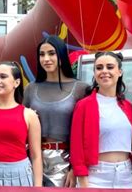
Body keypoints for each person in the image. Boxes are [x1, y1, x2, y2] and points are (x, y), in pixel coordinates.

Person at [23, 35, 88, 187]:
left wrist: (75, 168)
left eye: (52, 53)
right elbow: (21, 125)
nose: (46, 59)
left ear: (61, 55)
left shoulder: (81, 88)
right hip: (33, 159)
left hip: (65, 161)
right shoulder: (31, 89)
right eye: (42, 54)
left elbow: (85, 133)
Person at [71, 52, 132, 188]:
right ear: (94, 73)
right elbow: (76, 145)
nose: (104, 71)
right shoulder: (84, 105)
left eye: (110, 67)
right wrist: (82, 179)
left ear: (120, 72)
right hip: (96, 175)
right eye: (99, 68)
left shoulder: (127, 106)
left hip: (126, 174)